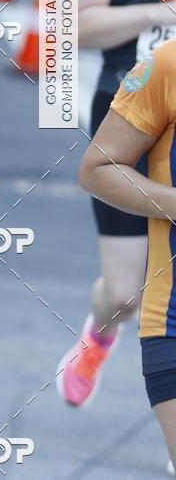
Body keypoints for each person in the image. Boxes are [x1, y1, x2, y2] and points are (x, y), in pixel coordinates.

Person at [57, 0, 176, 406]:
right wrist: (160, 14)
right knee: (128, 292)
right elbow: (76, 27)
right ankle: (98, 336)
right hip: (129, 117)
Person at [79, 38, 176, 471]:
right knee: (122, 295)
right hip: (173, 315)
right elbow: (97, 169)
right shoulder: (168, 63)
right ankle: (99, 332)